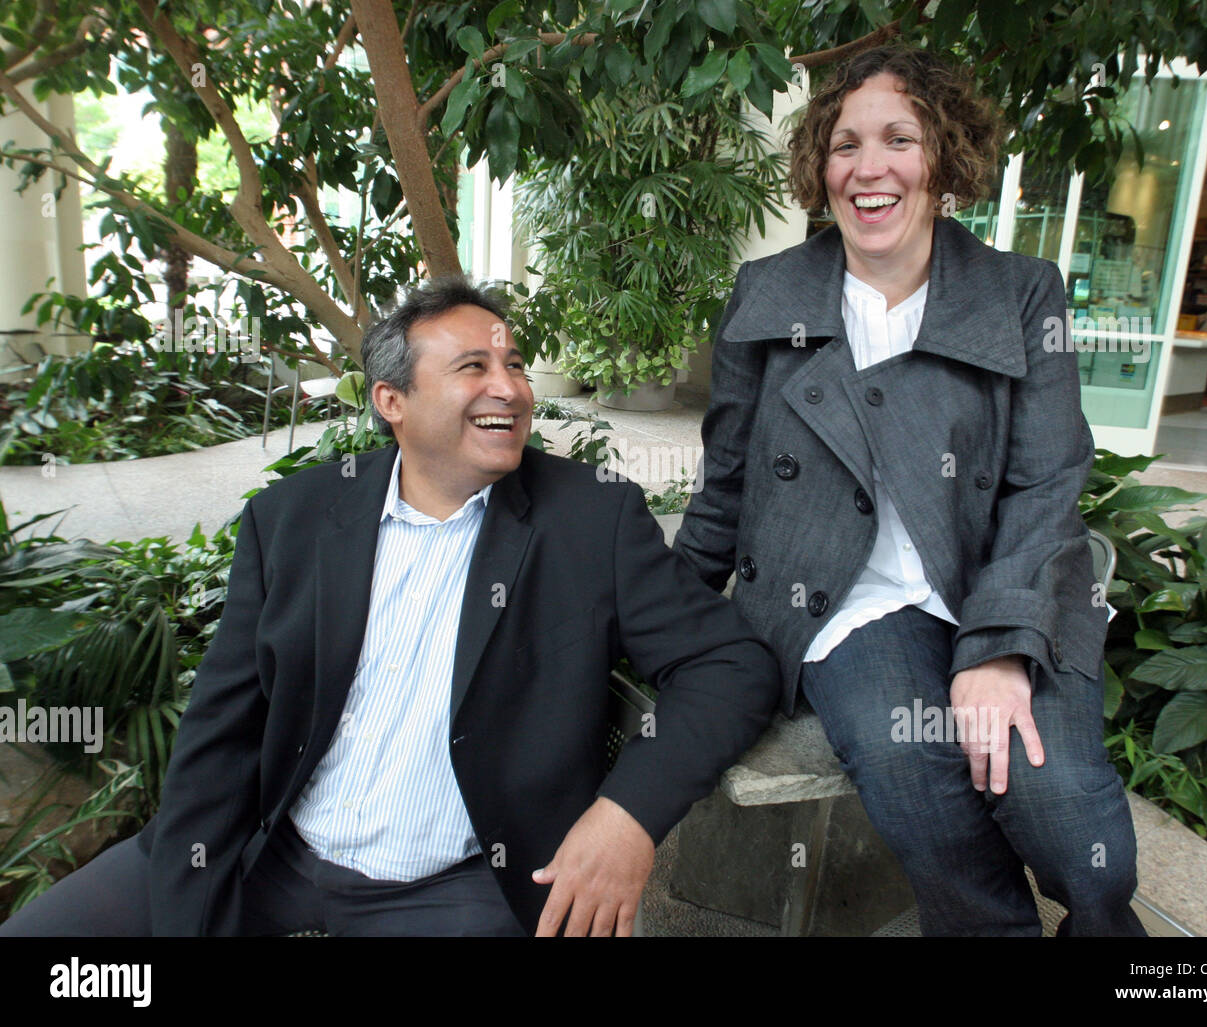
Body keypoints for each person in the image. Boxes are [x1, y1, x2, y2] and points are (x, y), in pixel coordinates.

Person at [1, 278, 780, 937]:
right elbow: (221, 729)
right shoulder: (294, 521)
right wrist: (187, 904)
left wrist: (627, 814)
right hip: (271, 848)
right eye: (473, 366)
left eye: (513, 364)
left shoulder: (589, 518)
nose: (508, 386)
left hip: (459, 884)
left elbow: (731, 664)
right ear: (392, 400)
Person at [672, 45, 1145, 936]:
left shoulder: (1019, 291)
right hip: (847, 599)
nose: (869, 167)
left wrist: (1000, 650)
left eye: (899, 137)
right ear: (821, 166)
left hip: (998, 581)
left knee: (1075, 825)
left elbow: (1047, 480)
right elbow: (726, 476)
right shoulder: (768, 294)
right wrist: (666, 610)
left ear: (945, 158)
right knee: (913, 772)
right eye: (845, 144)